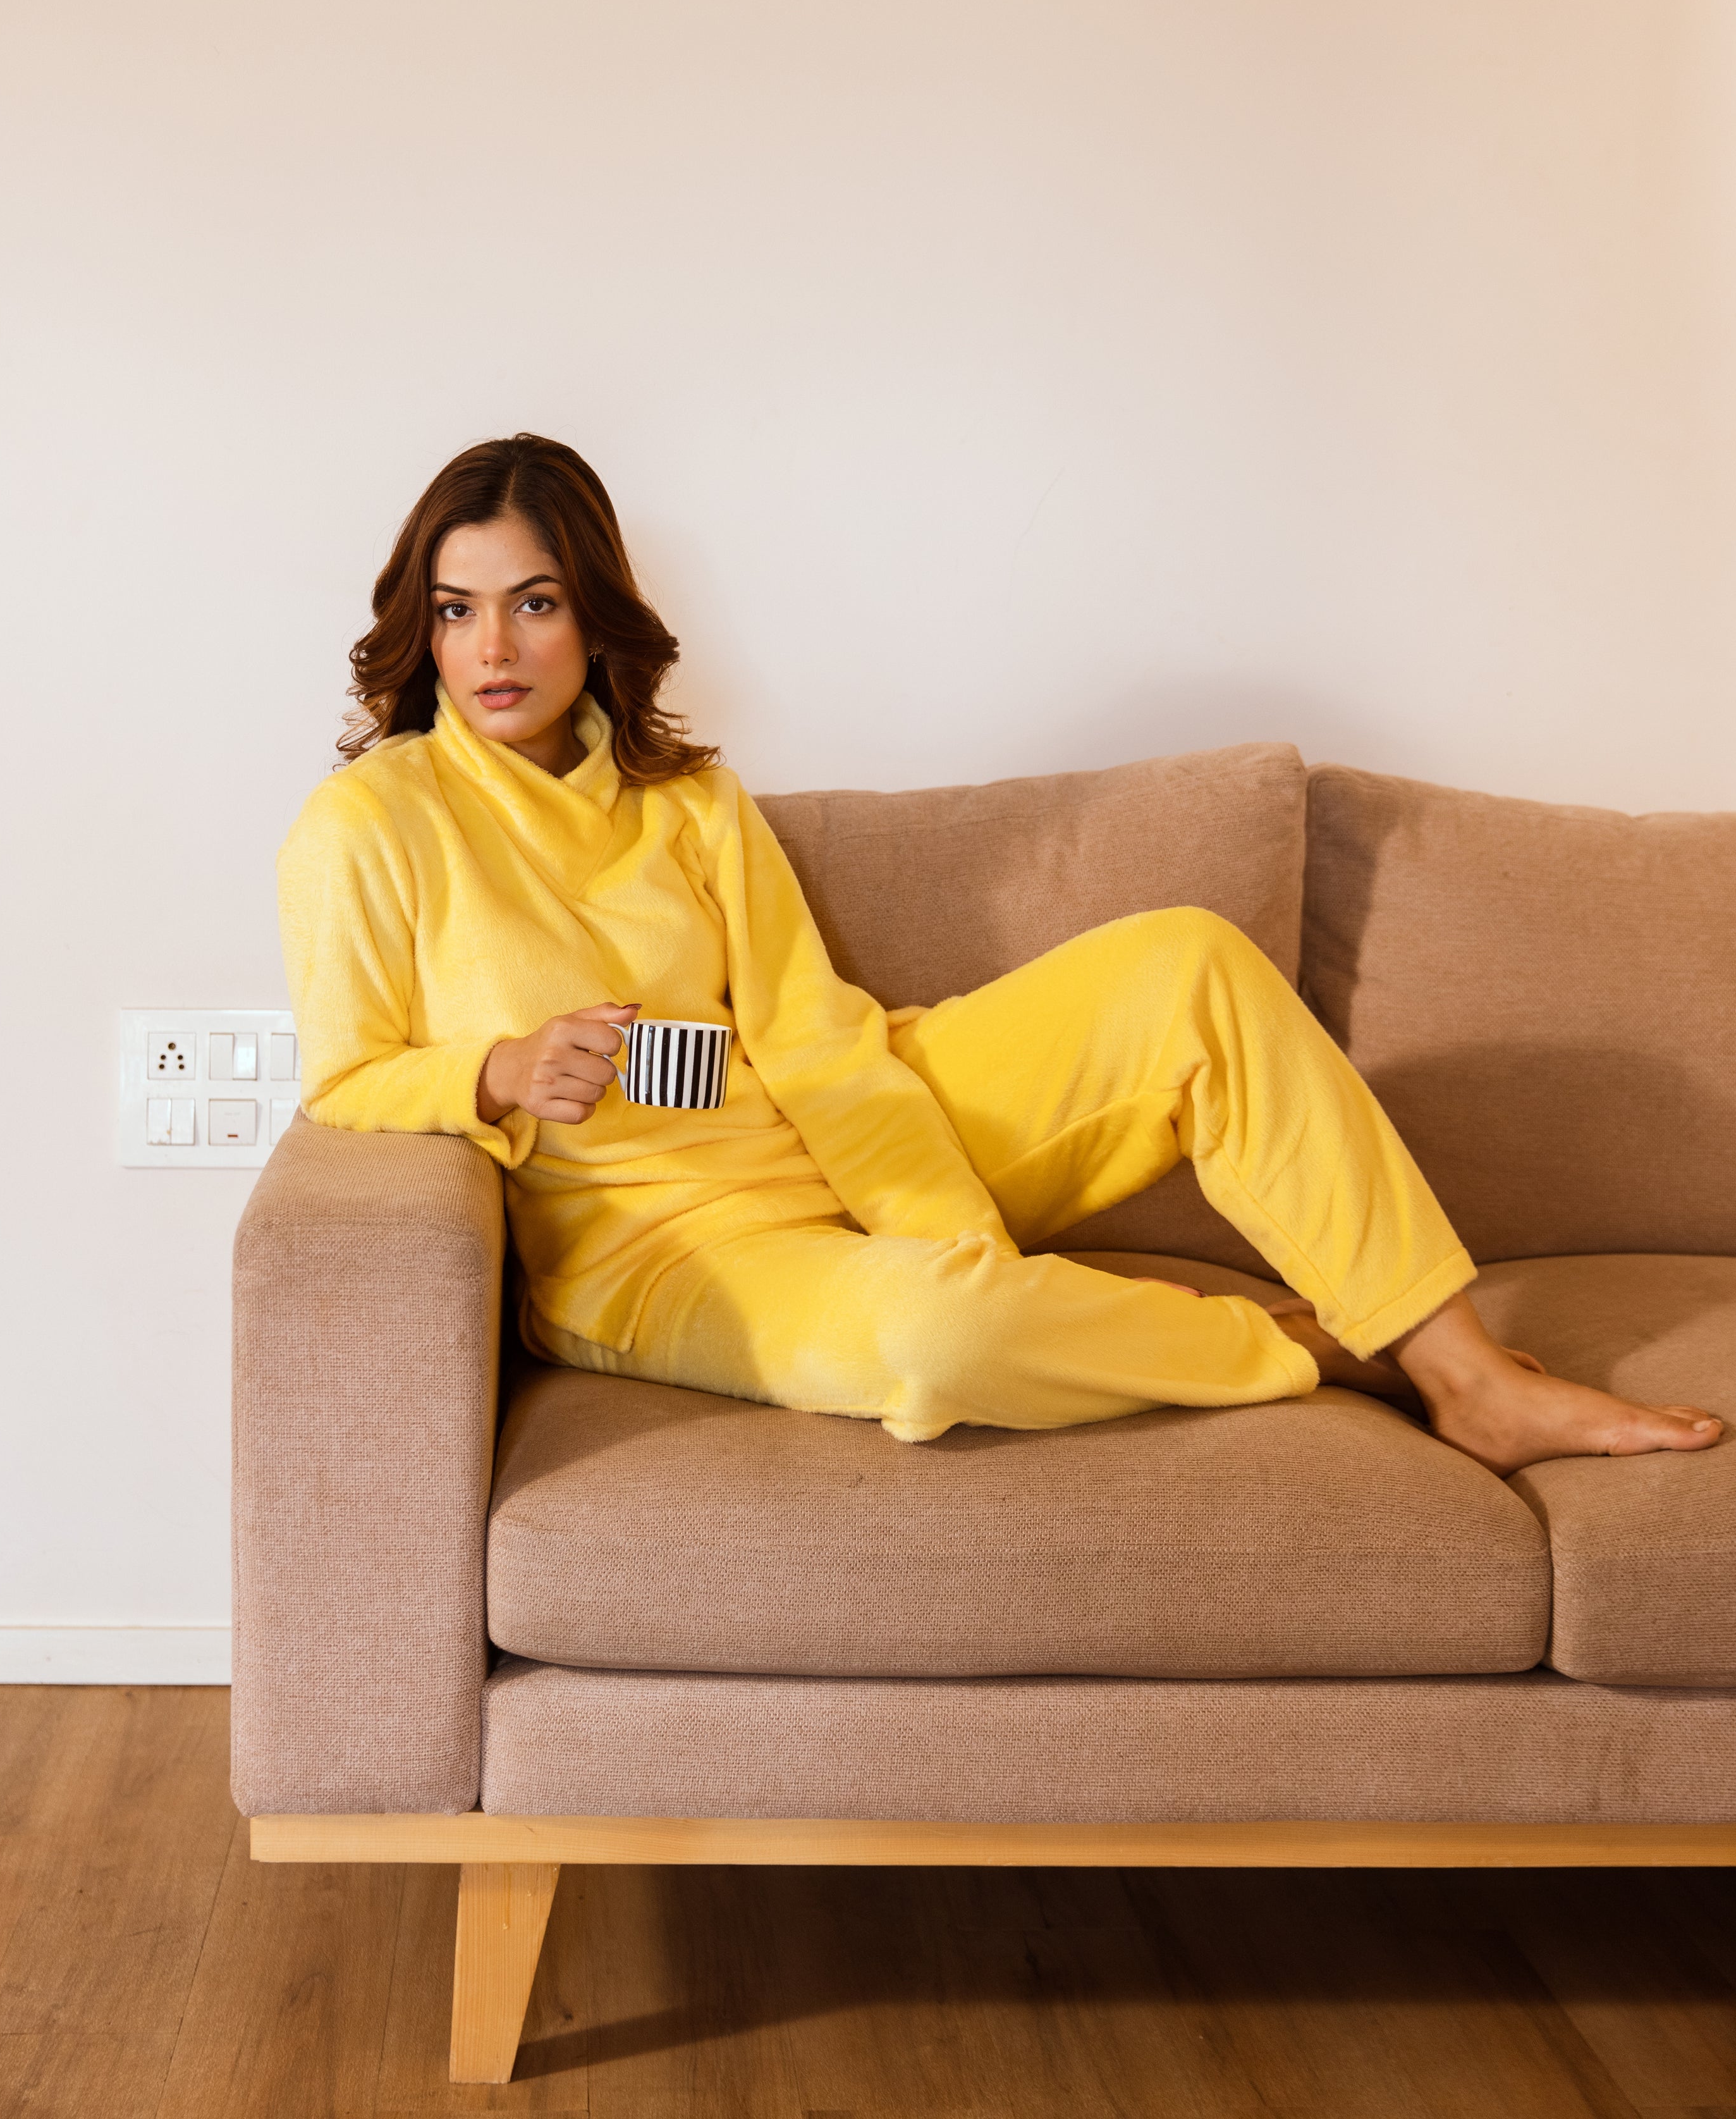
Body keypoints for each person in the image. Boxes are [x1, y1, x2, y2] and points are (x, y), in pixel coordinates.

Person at [278, 434, 1721, 1475]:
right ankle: (1330, 1342)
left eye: (533, 601)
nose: (493, 647)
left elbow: (814, 1039)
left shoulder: (688, 798)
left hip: (850, 1117)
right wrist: (496, 1071)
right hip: (664, 1248)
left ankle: (1466, 1372)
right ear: (423, 624)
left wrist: (938, 1222)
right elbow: (345, 1079)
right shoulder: (370, 824)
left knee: (1188, 964)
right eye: (458, 609)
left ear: (593, 616)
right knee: (943, 1341)